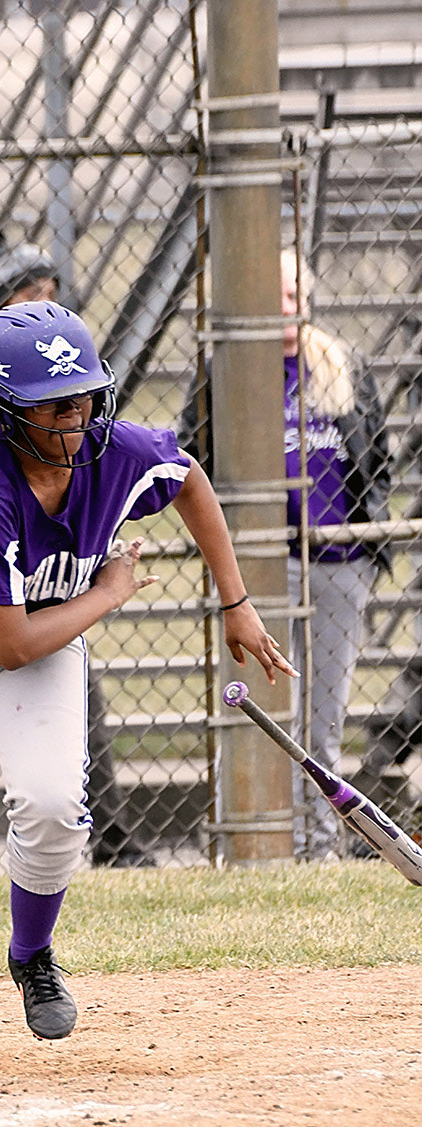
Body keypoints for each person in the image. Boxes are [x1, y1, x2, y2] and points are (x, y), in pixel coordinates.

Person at [0, 298, 297, 1079]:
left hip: (45, 637)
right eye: (52, 408)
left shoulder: (113, 452)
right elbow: (9, 644)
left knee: (53, 806)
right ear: (2, 414)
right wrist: (112, 591)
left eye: (85, 399)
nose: (77, 421)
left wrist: (235, 602)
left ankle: (31, 955)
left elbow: (189, 479)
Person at [0, 227, 150, 867]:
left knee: (75, 710)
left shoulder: (69, 386)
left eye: (51, 292)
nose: (44, 306)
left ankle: (112, 842)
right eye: (28, 294)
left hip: (50, 586)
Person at [177, 247, 392, 861]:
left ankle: (317, 847)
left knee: (323, 722)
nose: (288, 301)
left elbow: (375, 456)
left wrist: (363, 532)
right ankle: (250, 841)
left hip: (337, 565)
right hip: (267, 570)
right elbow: (194, 454)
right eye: (275, 291)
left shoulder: (342, 364)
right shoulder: (231, 369)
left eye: (295, 289)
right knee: (267, 715)